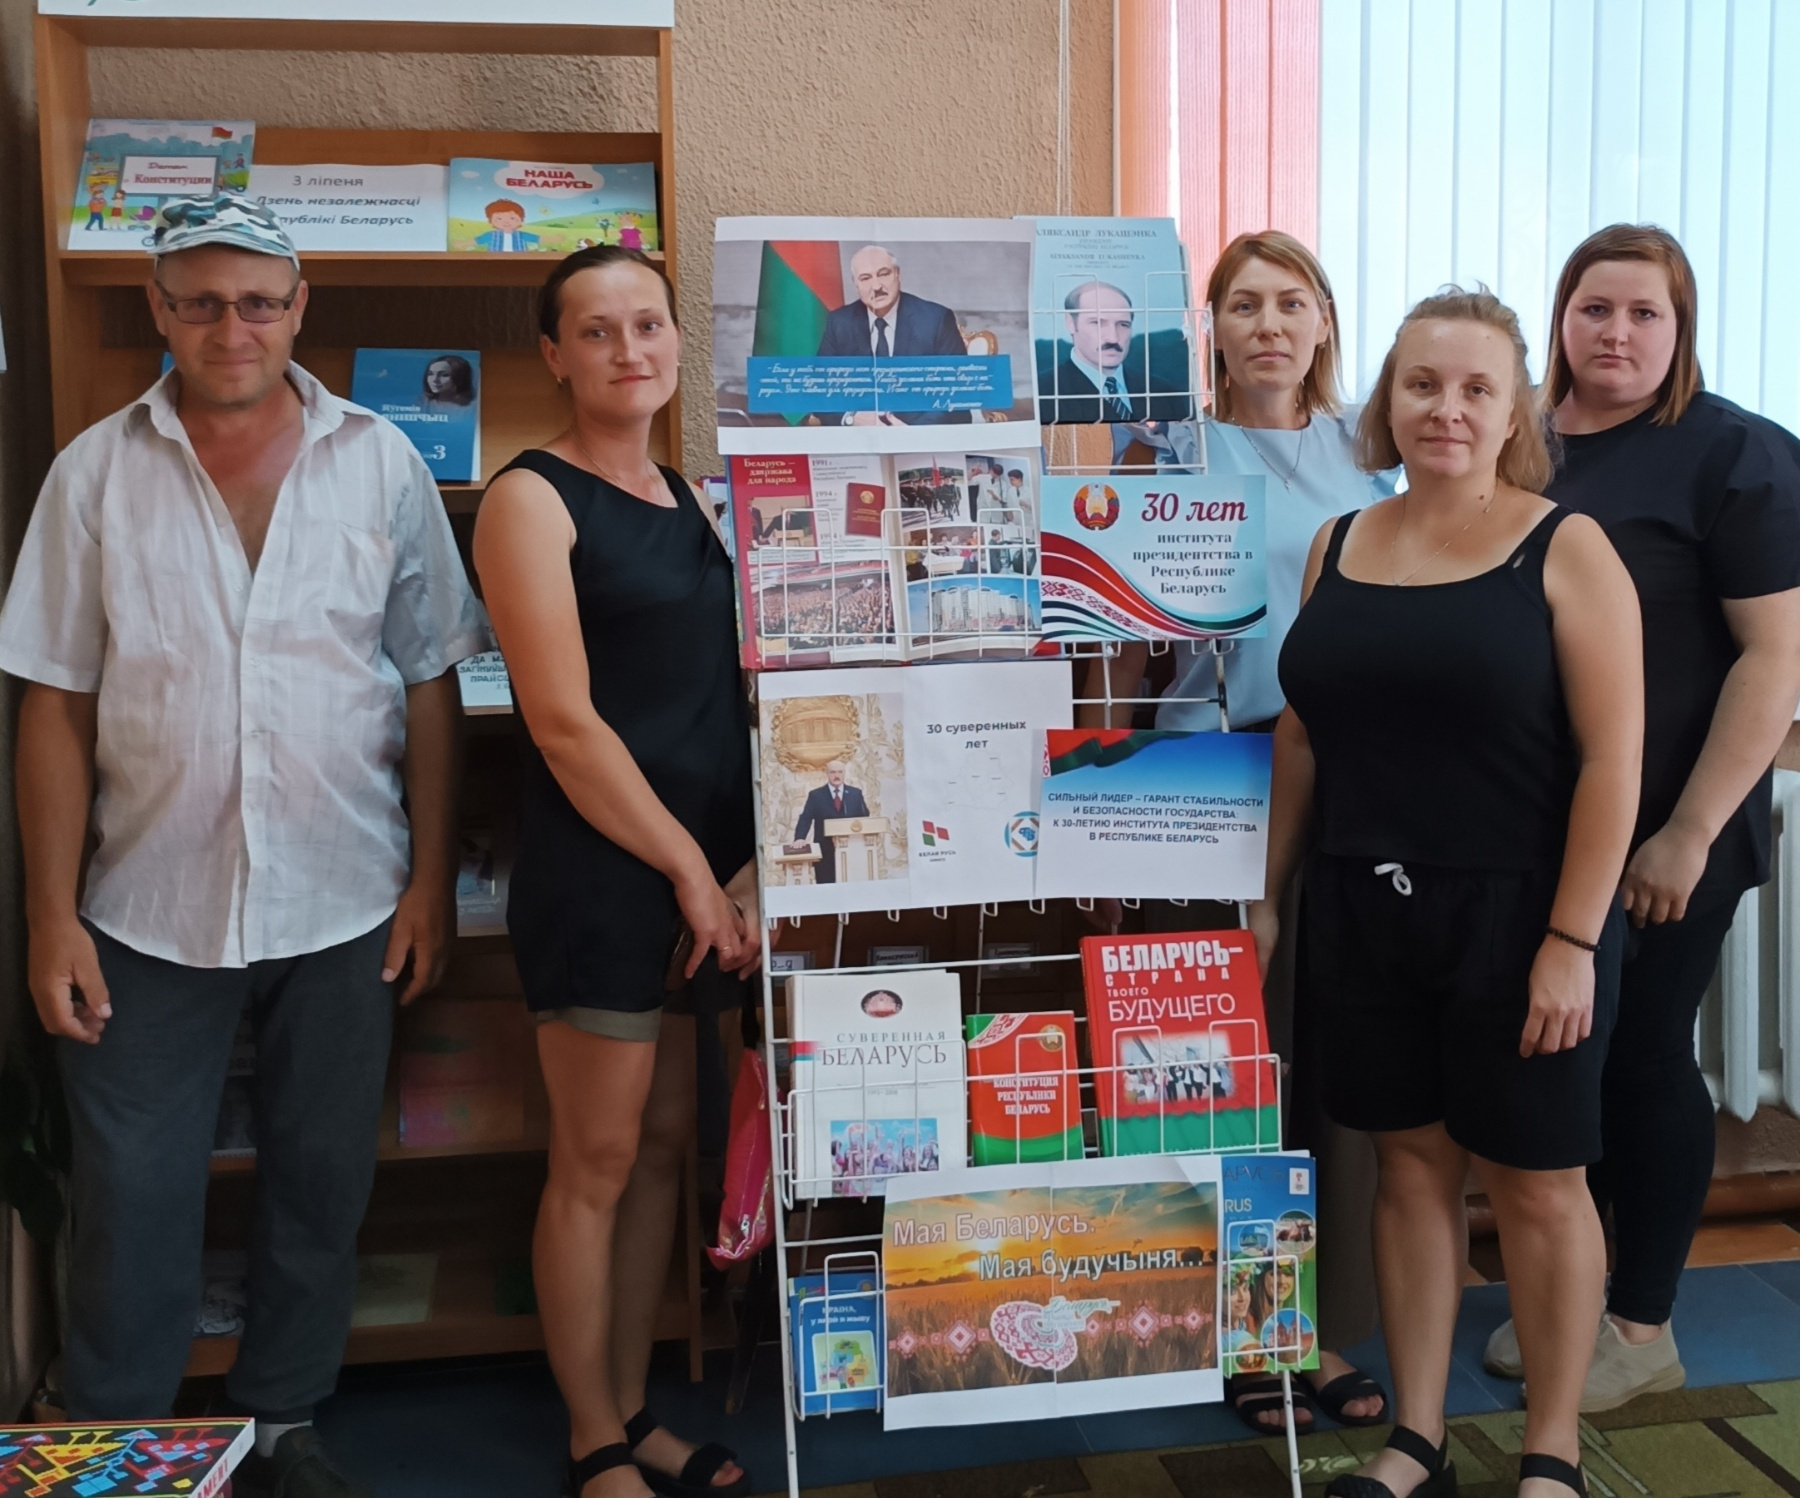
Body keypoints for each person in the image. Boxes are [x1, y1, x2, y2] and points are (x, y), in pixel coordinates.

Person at [0, 193, 483, 1498]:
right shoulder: (95, 472)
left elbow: (430, 678)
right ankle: (117, 1441)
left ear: (299, 306)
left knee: (321, 1179)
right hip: (146, 905)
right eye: (202, 303)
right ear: (158, 309)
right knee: (131, 1193)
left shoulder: (380, 460)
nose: (233, 328)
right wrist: (50, 915)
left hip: (347, 897)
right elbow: (54, 700)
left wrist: (429, 881)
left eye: (259, 301)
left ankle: (282, 1419)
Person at [1264, 287, 1643, 1498]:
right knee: (1409, 1168)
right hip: (1364, 908)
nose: (1447, 408)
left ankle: (1551, 1451)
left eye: (1478, 387)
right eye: (1423, 384)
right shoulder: (1338, 542)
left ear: (1515, 410)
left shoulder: (1565, 547)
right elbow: (1304, 738)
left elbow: (1614, 761)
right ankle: (1417, 1438)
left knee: (1537, 1182)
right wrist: (1269, 893)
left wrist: (1572, 939)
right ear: (1388, 399)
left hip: (1522, 916)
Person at [1483, 225, 1800, 1411]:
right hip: (1531, 823)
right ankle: (1575, 1290)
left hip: (1671, 827)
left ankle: (1641, 1321)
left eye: (1644, 313)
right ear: (1560, 317)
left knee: (1643, 1055)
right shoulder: (1515, 439)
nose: (1616, 333)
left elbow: (1775, 658)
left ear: (1682, 328)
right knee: (1566, 1059)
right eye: (1595, 308)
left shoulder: (1734, 453)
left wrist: (1690, 832)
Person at [1083, 232, 1394, 1437]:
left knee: (1323, 1071)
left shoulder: (1370, 450)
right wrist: (1097, 826)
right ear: (1208, 327)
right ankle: (1218, 1325)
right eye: (1244, 304)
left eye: (1291, 303)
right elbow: (1116, 655)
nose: (1269, 325)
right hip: (1198, 783)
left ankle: (1307, 1326)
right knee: (1206, 1066)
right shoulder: (1166, 450)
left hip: (1346, 781)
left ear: (1324, 322)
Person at [472, 244, 757, 1498]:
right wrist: (689, 870)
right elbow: (563, 724)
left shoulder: (696, 497)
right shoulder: (530, 498)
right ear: (555, 354)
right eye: (596, 331)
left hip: (705, 877)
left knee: (661, 1151)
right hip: (604, 872)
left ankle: (636, 1410)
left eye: (647, 324)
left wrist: (739, 874)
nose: (627, 349)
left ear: (678, 343)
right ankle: (593, 1438)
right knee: (592, 1162)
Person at [815, 244, 970, 425]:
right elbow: (819, 391)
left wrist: (911, 432)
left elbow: (957, 394)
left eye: (883, 274)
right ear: (855, 283)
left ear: (897, 274)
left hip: (920, 436)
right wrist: (851, 418)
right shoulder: (839, 322)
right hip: (860, 436)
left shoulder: (936, 319)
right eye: (865, 278)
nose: (876, 286)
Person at [1038, 280, 1189, 425]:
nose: (1113, 338)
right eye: (1097, 323)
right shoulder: (1042, 395)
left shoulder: (1164, 393)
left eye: (1123, 325)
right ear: (1070, 323)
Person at [792, 760, 871, 884]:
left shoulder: (855, 794)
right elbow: (806, 818)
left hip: (851, 849)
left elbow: (864, 817)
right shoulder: (816, 795)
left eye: (840, 772)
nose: (836, 775)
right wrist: (800, 838)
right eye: (833, 772)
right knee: (826, 885)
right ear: (827, 774)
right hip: (825, 850)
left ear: (844, 773)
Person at [475, 198, 540, 253]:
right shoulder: (491, 235)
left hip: (518, 260)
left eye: (512, 218)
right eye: (499, 218)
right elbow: (476, 241)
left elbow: (539, 239)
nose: (506, 222)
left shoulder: (522, 235)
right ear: (490, 221)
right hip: (496, 260)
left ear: (521, 220)